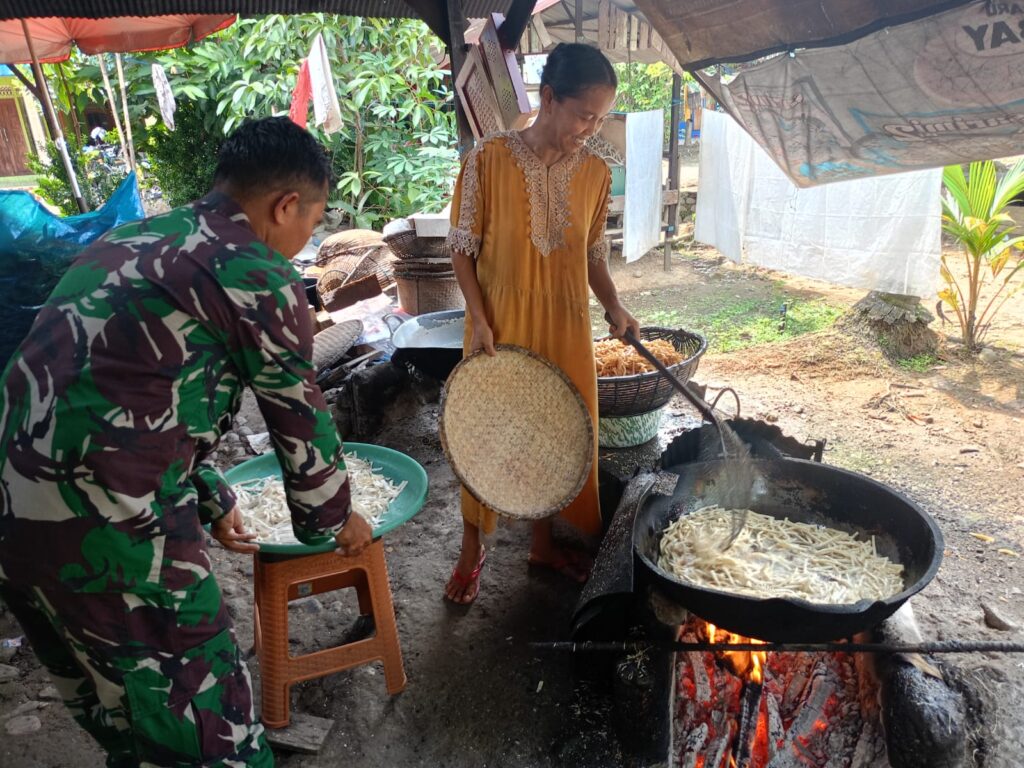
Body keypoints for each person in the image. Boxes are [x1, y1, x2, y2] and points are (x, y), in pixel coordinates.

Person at [0, 117, 372, 767]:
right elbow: (299, 420)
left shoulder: (132, 240)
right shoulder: (255, 272)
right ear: (286, 205)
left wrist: (208, 489)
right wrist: (339, 520)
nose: (306, 239)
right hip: (104, 528)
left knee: (122, 715)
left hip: (13, 519)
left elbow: (120, 397)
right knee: (207, 732)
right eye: (312, 220)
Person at [444, 43, 640, 604]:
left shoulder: (597, 171)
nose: (592, 127)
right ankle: (470, 550)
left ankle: (543, 544)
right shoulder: (486, 159)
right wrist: (478, 319)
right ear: (548, 98)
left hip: (565, 321)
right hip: (498, 323)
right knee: (485, 435)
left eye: (601, 117)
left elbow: (594, 254)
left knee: (557, 434)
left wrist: (615, 305)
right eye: (585, 115)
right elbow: (462, 248)